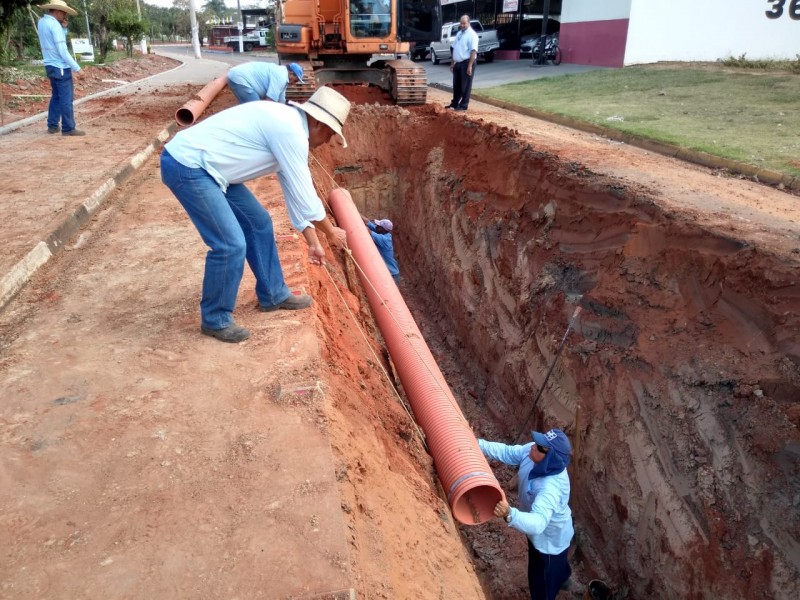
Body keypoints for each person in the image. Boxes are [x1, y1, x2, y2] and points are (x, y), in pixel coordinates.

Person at [160, 86, 351, 343]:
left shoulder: (290, 128)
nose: (327, 142)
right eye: (329, 134)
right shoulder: (290, 131)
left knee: (258, 223)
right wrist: (331, 232)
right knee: (230, 244)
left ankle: (273, 294)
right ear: (317, 123)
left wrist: (315, 243)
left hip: (215, 172)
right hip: (189, 166)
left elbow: (294, 193)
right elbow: (307, 198)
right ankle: (215, 319)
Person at [479, 428, 574, 600]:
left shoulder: (550, 488)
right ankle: (562, 577)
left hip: (548, 544)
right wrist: (478, 444)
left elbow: (538, 523)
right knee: (554, 567)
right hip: (539, 536)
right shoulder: (534, 453)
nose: (533, 446)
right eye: (538, 443)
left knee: (540, 585)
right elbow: (508, 452)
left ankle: (557, 580)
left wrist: (510, 514)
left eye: (540, 447)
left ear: (550, 457)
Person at [37, 0, 84, 136]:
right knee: (66, 98)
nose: (65, 16)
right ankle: (68, 128)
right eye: (64, 13)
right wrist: (77, 68)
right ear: (57, 11)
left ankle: (52, 125)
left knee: (56, 96)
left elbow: (53, 42)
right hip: (60, 66)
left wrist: (64, 28)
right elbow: (62, 50)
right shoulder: (54, 26)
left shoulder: (42, 22)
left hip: (50, 65)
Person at [226, 62, 305, 104]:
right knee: (257, 109)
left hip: (238, 76)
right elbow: (270, 101)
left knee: (252, 108)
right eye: (295, 80)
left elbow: (281, 99)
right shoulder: (281, 77)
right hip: (240, 78)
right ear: (291, 73)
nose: (294, 84)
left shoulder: (283, 74)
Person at [448, 15, 479, 112]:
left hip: (467, 63)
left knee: (465, 86)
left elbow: (473, 51)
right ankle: (454, 104)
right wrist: (452, 63)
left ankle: (463, 106)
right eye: (461, 23)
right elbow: (453, 48)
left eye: (464, 23)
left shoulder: (472, 35)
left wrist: (469, 66)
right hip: (458, 63)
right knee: (456, 85)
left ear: (469, 23)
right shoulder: (459, 34)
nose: (462, 25)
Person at [362, 216, 399, 283]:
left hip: (391, 273)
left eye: (378, 225)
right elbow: (367, 222)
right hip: (390, 271)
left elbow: (368, 231)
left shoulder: (384, 239)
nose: (376, 226)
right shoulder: (382, 232)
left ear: (382, 229)